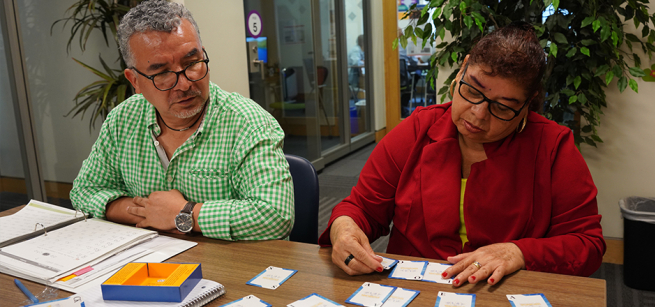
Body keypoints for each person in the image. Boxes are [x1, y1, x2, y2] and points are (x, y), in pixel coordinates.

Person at [319, 21, 605, 287]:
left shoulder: (553, 147)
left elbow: (587, 244)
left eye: (503, 107)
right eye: (472, 90)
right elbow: (362, 208)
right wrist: (343, 229)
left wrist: (519, 251)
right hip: (414, 289)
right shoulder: (417, 129)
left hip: (501, 291)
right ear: (462, 70)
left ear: (527, 105)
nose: (478, 115)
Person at [70, 0, 294, 241]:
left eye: (192, 63)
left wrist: (184, 214)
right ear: (134, 81)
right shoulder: (122, 120)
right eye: (163, 73)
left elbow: (274, 216)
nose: (185, 83)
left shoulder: (247, 123)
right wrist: (149, 213)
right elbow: (85, 191)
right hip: (152, 261)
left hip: (231, 266)